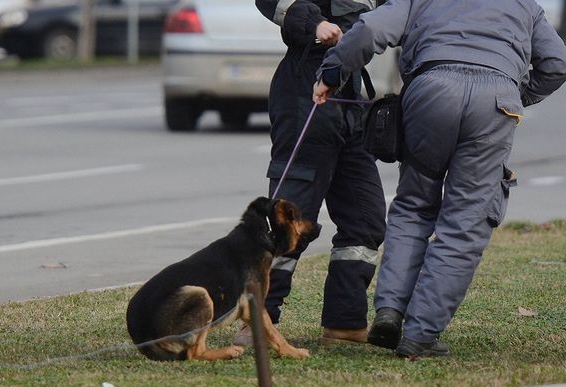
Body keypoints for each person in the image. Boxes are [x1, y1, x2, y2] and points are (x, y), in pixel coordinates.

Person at [313, 0, 566, 357]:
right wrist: (517, 92)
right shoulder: (524, 3)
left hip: (430, 89)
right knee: (465, 221)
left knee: (414, 205)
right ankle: (420, 335)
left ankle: (389, 311)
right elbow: (557, 64)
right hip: (495, 100)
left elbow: (370, 30)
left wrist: (332, 72)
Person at [234, 0, 387, 345]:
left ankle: (344, 325)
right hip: (305, 93)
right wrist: (315, 23)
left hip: (350, 97)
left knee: (366, 219)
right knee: (288, 218)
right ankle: (256, 321)